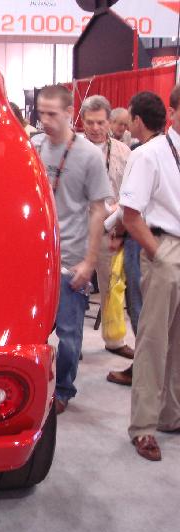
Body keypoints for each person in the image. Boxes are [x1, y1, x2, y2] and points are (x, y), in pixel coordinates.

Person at [33, 85, 112, 414]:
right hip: (36, 259)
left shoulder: (89, 156)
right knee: (32, 333)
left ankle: (64, 388)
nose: (45, 120)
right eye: (41, 113)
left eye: (52, 114)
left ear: (69, 113)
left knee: (68, 335)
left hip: (71, 259)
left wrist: (89, 261)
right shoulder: (33, 147)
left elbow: (98, 210)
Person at [120, 85, 180, 461]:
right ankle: (143, 427)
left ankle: (171, 415)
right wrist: (159, 255)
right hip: (165, 247)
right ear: (173, 110)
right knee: (154, 342)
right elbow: (130, 215)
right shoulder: (150, 154)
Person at [107, 92, 167, 387]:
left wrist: (115, 231)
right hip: (164, 240)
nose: (127, 125)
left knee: (141, 308)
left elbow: (129, 210)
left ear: (138, 120)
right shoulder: (169, 149)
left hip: (144, 240)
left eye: (129, 119)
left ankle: (143, 370)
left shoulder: (142, 154)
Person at [79, 95, 133, 359]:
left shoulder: (124, 152)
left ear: (109, 121)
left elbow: (131, 191)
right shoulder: (72, 149)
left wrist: (119, 224)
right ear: (82, 121)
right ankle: (71, 341)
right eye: (90, 122)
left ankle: (114, 340)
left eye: (100, 122)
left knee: (113, 285)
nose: (95, 128)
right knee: (72, 288)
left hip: (110, 230)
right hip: (77, 230)